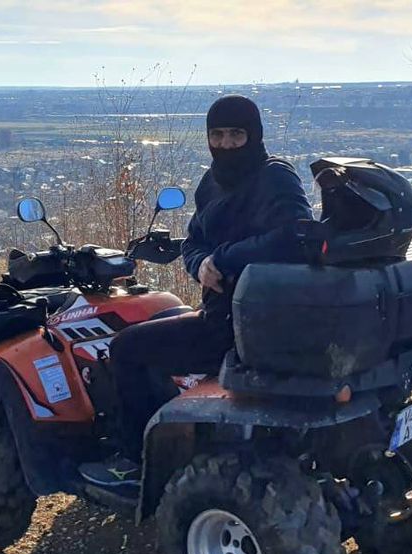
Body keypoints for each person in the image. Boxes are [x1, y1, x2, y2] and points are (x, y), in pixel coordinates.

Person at [79, 94, 313, 493]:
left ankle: (134, 461)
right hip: (223, 315)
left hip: (245, 326)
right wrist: (201, 263)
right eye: (217, 135)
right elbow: (193, 242)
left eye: (236, 135)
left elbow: (295, 235)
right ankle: (173, 442)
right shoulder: (212, 182)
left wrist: (223, 258)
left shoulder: (275, 178)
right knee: (154, 333)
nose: (225, 144)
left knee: (126, 349)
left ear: (254, 135)